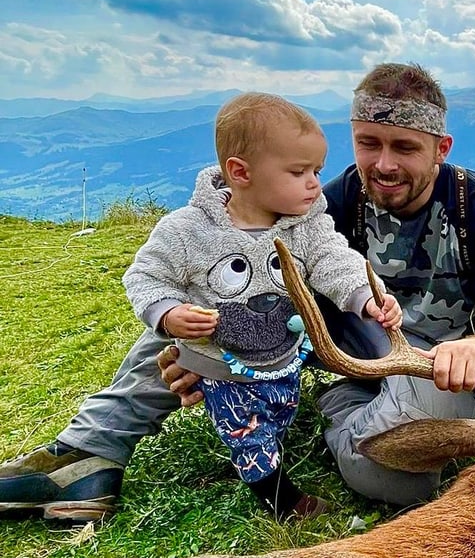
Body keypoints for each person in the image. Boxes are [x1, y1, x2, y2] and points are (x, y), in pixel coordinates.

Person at [0, 63, 475, 521]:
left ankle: (338, 410)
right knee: (207, 303)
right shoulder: (332, 199)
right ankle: (89, 454)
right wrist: (201, 353)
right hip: (332, 341)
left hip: (425, 362)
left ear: (441, 149)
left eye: (405, 147)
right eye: (369, 143)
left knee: (396, 480)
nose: (383, 165)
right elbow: (233, 263)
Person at [121, 92, 402, 520]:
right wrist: (168, 312)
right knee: (247, 432)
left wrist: (369, 297)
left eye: (316, 171)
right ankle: (281, 500)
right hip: (221, 367)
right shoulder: (188, 231)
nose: (313, 183)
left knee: (276, 413)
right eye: (298, 171)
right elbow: (144, 276)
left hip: (283, 357)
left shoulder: (305, 224)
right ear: (240, 172)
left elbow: (336, 261)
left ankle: (267, 449)